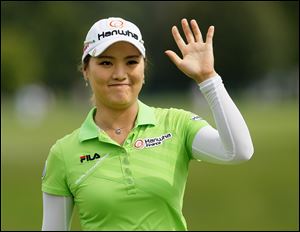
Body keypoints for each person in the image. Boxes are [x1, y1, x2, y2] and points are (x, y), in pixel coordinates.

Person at [41, 17, 254, 231]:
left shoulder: (176, 125)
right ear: (86, 70)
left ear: (144, 69)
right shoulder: (63, 154)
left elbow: (238, 151)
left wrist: (208, 78)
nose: (119, 74)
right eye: (106, 62)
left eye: (131, 62)